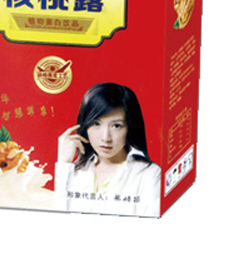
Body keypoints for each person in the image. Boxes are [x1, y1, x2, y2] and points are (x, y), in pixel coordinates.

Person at [55, 82, 161, 217]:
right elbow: (59, 219)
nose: (106, 138)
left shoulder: (148, 174)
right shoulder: (76, 170)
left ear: (130, 127)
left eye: (116, 126)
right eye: (96, 124)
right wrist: (63, 163)